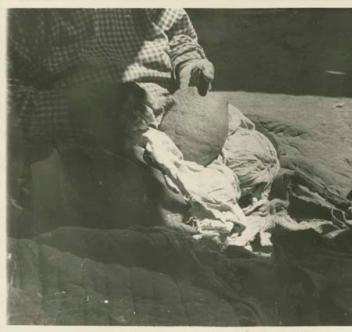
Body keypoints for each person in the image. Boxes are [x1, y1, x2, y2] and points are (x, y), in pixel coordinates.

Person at [8, 9, 215, 235]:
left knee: (241, 164)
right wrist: (79, 104)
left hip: (165, 112)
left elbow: (179, 37)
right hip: (82, 131)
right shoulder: (27, 15)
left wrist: (189, 65)